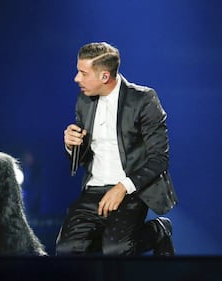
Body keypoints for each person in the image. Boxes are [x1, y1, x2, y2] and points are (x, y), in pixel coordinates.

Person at [56, 42, 178, 256]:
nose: (77, 79)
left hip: (131, 190)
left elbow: (159, 159)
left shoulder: (143, 100)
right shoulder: (84, 101)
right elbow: (83, 157)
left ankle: (158, 230)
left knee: (116, 251)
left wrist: (122, 187)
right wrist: (72, 145)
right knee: (67, 250)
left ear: (104, 76)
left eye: (83, 73)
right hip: (93, 189)